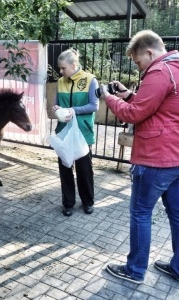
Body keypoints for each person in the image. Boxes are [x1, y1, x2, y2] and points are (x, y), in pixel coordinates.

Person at [101, 30, 179, 284]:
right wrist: (128, 95)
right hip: (175, 157)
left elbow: (134, 115)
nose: (138, 68)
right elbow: (158, 109)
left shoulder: (159, 72)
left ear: (149, 52)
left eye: (138, 62)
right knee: (176, 214)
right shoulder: (175, 68)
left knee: (141, 213)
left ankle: (134, 270)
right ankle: (178, 267)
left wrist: (109, 98)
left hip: (155, 157)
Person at [52, 49, 99, 216]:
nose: (61, 71)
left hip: (83, 133)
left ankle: (88, 202)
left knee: (84, 169)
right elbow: (57, 104)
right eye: (60, 68)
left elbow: (94, 106)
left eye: (63, 68)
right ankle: (68, 203)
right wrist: (57, 109)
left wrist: (73, 110)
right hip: (64, 132)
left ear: (74, 65)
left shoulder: (90, 80)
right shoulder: (60, 82)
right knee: (65, 168)